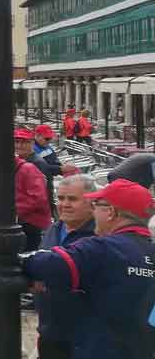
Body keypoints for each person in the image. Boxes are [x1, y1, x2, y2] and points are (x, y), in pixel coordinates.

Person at [23, 178, 155, 358]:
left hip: (96, 348)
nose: (93, 212)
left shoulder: (103, 247)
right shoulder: (149, 249)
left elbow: (47, 265)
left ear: (110, 212)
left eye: (96, 205)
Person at [33, 175, 97, 359]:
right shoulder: (54, 228)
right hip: (49, 328)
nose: (64, 204)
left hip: (82, 335)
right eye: (61, 198)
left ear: (91, 202)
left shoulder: (99, 235)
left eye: (73, 199)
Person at [13, 129, 53, 251]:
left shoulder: (36, 163)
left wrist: (13, 211)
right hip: (25, 217)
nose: (19, 145)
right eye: (17, 142)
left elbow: (40, 197)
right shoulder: (24, 161)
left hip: (32, 220)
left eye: (23, 142)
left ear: (31, 143)